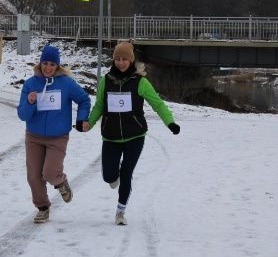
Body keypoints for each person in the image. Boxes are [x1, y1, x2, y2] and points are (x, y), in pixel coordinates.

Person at [82, 41, 180, 225]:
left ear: (131, 60)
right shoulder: (106, 81)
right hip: (110, 136)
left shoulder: (140, 82)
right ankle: (114, 177)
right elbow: (99, 106)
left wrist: (170, 122)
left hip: (135, 136)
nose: (120, 62)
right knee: (109, 177)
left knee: (126, 172)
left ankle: (120, 212)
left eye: (124, 59)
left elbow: (157, 103)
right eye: (117, 59)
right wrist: (89, 123)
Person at [18, 45, 91, 224]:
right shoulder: (31, 84)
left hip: (57, 137)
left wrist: (82, 119)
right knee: (34, 176)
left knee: (50, 173)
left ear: (57, 66)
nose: (48, 67)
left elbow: (84, 100)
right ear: (40, 63)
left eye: (52, 64)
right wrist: (30, 101)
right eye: (45, 63)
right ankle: (43, 208)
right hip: (34, 136)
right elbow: (22, 115)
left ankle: (60, 182)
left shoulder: (66, 83)